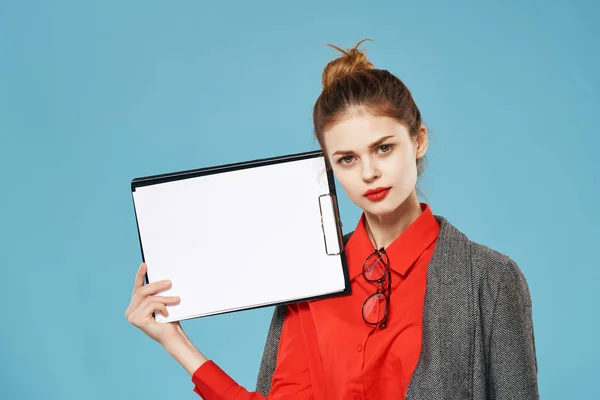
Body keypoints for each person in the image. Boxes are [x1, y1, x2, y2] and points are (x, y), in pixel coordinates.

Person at [125, 39, 539, 399]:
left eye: (383, 148)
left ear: (418, 141)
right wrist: (173, 340)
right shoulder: (308, 276)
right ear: (329, 167)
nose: (368, 173)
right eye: (347, 158)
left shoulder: (490, 278)